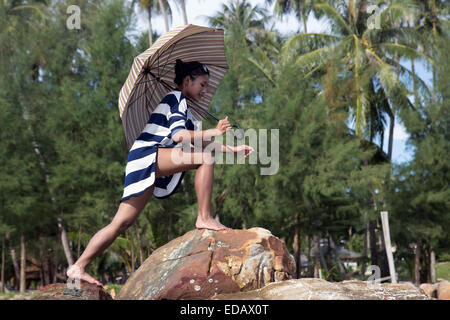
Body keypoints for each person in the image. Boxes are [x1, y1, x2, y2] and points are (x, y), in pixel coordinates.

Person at [66, 59, 254, 286]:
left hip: (146, 159)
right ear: (187, 81)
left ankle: (78, 266)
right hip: (148, 155)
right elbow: (179, 137)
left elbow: (198, 143)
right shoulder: (175, 99)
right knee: (205, 160)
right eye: (202, 85)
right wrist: (215, 130)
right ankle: (204, 217)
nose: (205, 90)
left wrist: (233, 149)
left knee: (122, 223)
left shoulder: (186, 109)